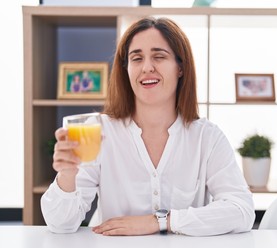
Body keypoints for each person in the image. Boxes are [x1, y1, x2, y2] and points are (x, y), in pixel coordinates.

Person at [41, 17, 255, 236]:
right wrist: (67, 175)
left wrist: (161, 221)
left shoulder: (207, 137)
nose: (146, 67)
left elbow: (242, 210)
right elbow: (61, 224)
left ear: (180, 68)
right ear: (126, 70)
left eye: (159, 56)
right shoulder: (98, 130)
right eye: (136, 58)